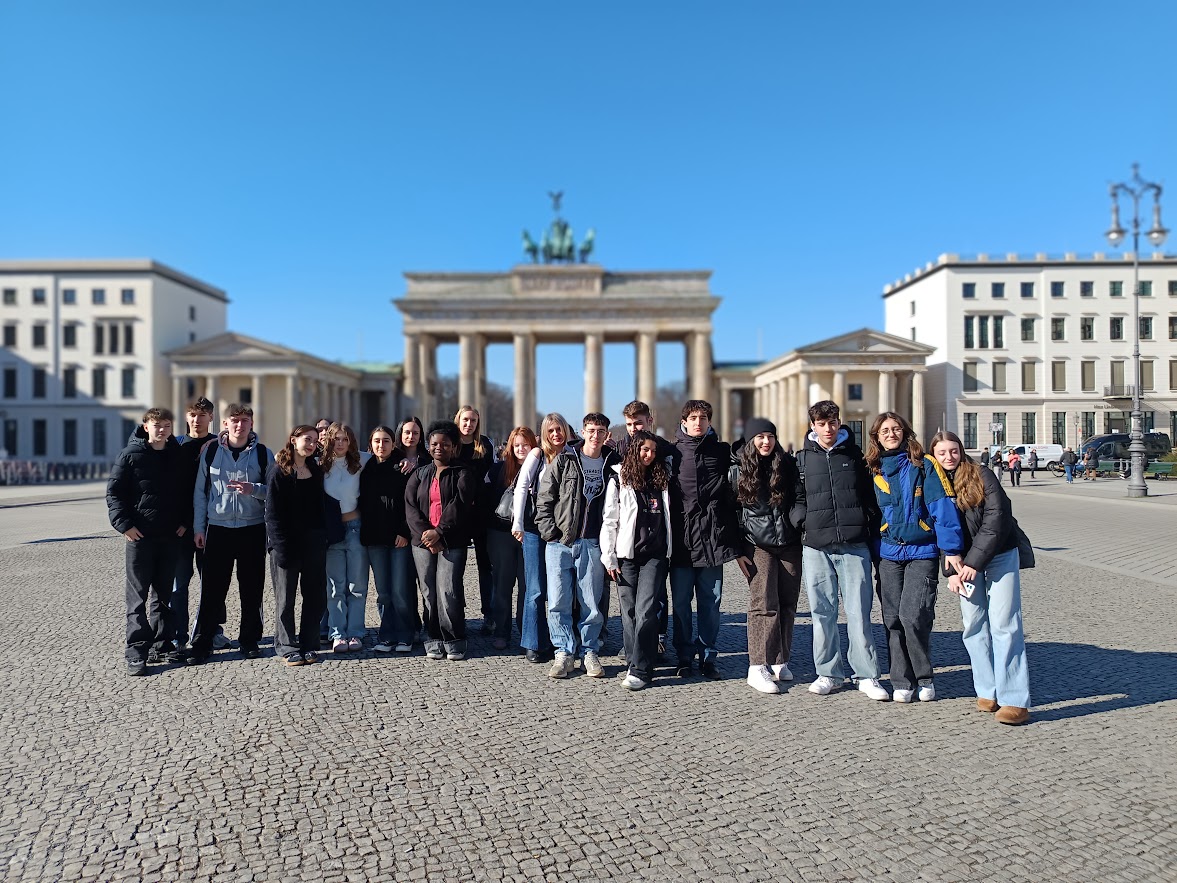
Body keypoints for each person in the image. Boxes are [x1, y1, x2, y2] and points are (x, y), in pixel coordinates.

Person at [931, 431, 1032, 725]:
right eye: (942, 453)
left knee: (1005, 624)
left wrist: (973, 562)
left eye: (953, 451)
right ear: (934, 456)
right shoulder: (934, 482)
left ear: (961, 450)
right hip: (961, 563)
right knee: (973, 625)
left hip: (1000, 554)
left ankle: (1014, 699)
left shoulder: (982, 474)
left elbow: (996, 519)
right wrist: (950, 570)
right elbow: (939, 530)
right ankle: (987, 691)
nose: (949, 457)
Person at [793, 400, 888, 701]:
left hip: (853, 542)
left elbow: (870, 494)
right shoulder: (803, 459)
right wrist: (801, 521)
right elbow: (795, 497)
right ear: (813, 426)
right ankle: (828, 672)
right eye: (822, 423)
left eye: (832, 422)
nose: (828, 428)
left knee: (859, 612)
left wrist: (866, 520)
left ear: (839, 423)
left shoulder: (855, 456)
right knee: (822, 612)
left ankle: (867, 675)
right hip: (816, 545)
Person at [865, 412, 963, 704]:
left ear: (905, 432)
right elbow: (869, 513)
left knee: (913, 615)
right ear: (877, 437)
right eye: (885, 431)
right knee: (892, 618)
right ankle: (901, 680)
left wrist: (952, 549)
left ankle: (924, 676)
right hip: (888, 552)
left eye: (896, 429)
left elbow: (941, 507)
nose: (891, 434)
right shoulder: (872, 467)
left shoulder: (924, 463)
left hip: (922, 550)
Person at [189, 403, 274, 664]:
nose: (240, 425)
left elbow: (273, 491)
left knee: (251, 588)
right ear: (225, 424)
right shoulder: (212, 451)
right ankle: (203, 642)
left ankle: (249, 640)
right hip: (219, 528)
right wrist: (199, 527)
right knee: (212, 589)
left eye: (245, 420)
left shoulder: (263, 453)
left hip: (252, 528)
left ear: (252, 423)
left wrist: (254, 490)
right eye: (234, 420)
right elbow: (201, 493)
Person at [536, 412, 619, 679]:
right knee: (558, 601)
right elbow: (544, 498)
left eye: (601, 431)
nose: (596, 436)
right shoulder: (566, 459)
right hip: (560, 542)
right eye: (591, 430)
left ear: (607, 434)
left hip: (593, 542)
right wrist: (550, 533)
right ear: (583, 431)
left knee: (591, 601)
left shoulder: (612, 463)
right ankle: (563, 652)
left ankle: (590, 651)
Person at [729, 418, 804, 694]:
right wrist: (737, 551)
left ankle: (779, 660)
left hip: (789, 543)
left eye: (770, 436)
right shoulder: (736, 471)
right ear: (750, 440)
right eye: (760, 436)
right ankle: (757, 665)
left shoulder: (787, 465)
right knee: (763, 603)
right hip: (756, 544)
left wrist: (799, 522)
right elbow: (730, 514)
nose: (766, 441)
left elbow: (798, 498)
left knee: (788, 603)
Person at [107, 407, 185, 675]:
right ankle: (137, 650)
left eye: (166, 425)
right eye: (156, 425)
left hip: (169, 536)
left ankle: (162, 644)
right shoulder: (130, 454)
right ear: (146, 426)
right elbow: (114, 493)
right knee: (137, 597)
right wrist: (125, 525)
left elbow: (187, 491)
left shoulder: (178, 454)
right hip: (140, 537)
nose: (161, 429)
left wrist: (185, 522)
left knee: (164, 595)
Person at [667, 399, 741, 680]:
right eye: (693, 417)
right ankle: (684, 656)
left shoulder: (722, 452)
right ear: (684, 421)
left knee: (711, 605)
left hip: (713, 541)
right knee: (682, 605)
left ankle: (709, 656)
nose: (698, 422)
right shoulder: (672, 453)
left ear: (710, 421)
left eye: (703, 417)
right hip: (682, 542)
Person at [601, 429, 672, 691]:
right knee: (628, 612)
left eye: (653, 451)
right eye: (644, 449)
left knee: (646, 610)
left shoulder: (662, 477)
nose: (649, 455)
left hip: (654, 555)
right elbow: (610, 520)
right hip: (626, 555)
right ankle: (634, 660)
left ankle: (642, 669)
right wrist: (609, 558)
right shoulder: (618, 478)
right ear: (635, 450)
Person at [405, 420, 477, 660]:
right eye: (434, 443)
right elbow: (410, 506)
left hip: (452, 541)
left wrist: (440, 532)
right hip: (422, 543)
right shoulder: (420, 473)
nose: (439, 448)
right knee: (428, 591)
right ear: (428, 445)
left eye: (445, 444)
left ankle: (454, 637)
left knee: (448, 590)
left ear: (453, 446)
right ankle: (433, 636)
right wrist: (427, 534)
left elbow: (461, 505)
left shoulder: (463, 472)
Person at [616, 400, 676, 658]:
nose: (633, 428)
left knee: (655, 595)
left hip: (656, 536)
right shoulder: (619, 449)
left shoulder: (665, 450)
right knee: (630, 601)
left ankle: (658, 638)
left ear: (649, 420)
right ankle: (634, 645)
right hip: (630, 537)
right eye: (629, 424)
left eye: (638, 423)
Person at [264, 424, 327, 666]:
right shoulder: (279, 471)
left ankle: (309, 643)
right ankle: (287, 645)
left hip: (314, 541)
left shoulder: (315, 469)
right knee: (285, 597)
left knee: (315, 595)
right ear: (293, 440)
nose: (311, 444)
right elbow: (272, 513)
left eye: (314, 440)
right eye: (306, 439)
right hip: (286, 542)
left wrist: (322, 536)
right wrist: (279, 546)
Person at [512, 413, 568, 663]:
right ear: (544, 433)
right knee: (535, 588)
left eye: (559, 429)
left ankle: (563, 640)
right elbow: (522, 487)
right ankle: (533, 642)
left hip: (564, 528)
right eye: (551, 430)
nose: (556, 434)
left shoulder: (573, 453)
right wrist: (518, 523)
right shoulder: (537, 455)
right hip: (535, 527)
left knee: (562, 589)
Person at [360, 425, 415, 654]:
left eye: (385, 441)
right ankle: (387, 635)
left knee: (400, 591)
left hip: (398, 538)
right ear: (371, 444)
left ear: (393, 444)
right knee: (383, 592)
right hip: (374, 538)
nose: (381, 445)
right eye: (377, 441)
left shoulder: (403, 468)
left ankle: (405, 635)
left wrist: (404, 532)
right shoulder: (365, 468)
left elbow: (410, 504)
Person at [172, 396, 217, 654]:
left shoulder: (218, 446)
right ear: (186, 416)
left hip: (210, 525)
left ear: (211, 417)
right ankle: (179, 635)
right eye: (192, 414)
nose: (196, 420)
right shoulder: (176, 445)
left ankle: (210, 632)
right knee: (179, 585)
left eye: (202, 415)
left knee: (210, 584)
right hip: (180, 529)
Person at [486, 427, 537, 650]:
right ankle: (502, 631)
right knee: (502, 584)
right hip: (501, 534)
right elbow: (486, 501)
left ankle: (527, 632)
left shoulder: (540, 468)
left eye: (525, 444)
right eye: (516, 445)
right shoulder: (498, 470)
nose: (520, 449)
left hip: (531, 534)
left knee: (528, 587)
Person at [321, 423, 370, 653]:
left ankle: (356, 632)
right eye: (336, 439)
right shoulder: (321, 464)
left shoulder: (361, 461)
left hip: (355, 528)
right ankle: (337, 633)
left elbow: (389, 456)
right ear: (329, 440)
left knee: (357, 585)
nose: (340, 443)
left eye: (345, 439)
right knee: (334, 587)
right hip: (332, 532)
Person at [455, 405, 496, 629]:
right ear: (458, 420)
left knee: (485, 565)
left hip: (481, 512)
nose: (469, 424)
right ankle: (457, 612)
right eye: (465, 419)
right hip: (458, 513)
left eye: (473, 420)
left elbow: (489, 477)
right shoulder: (451, 444)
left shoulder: (485, 445)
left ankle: (488, 614)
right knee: (456, 564)